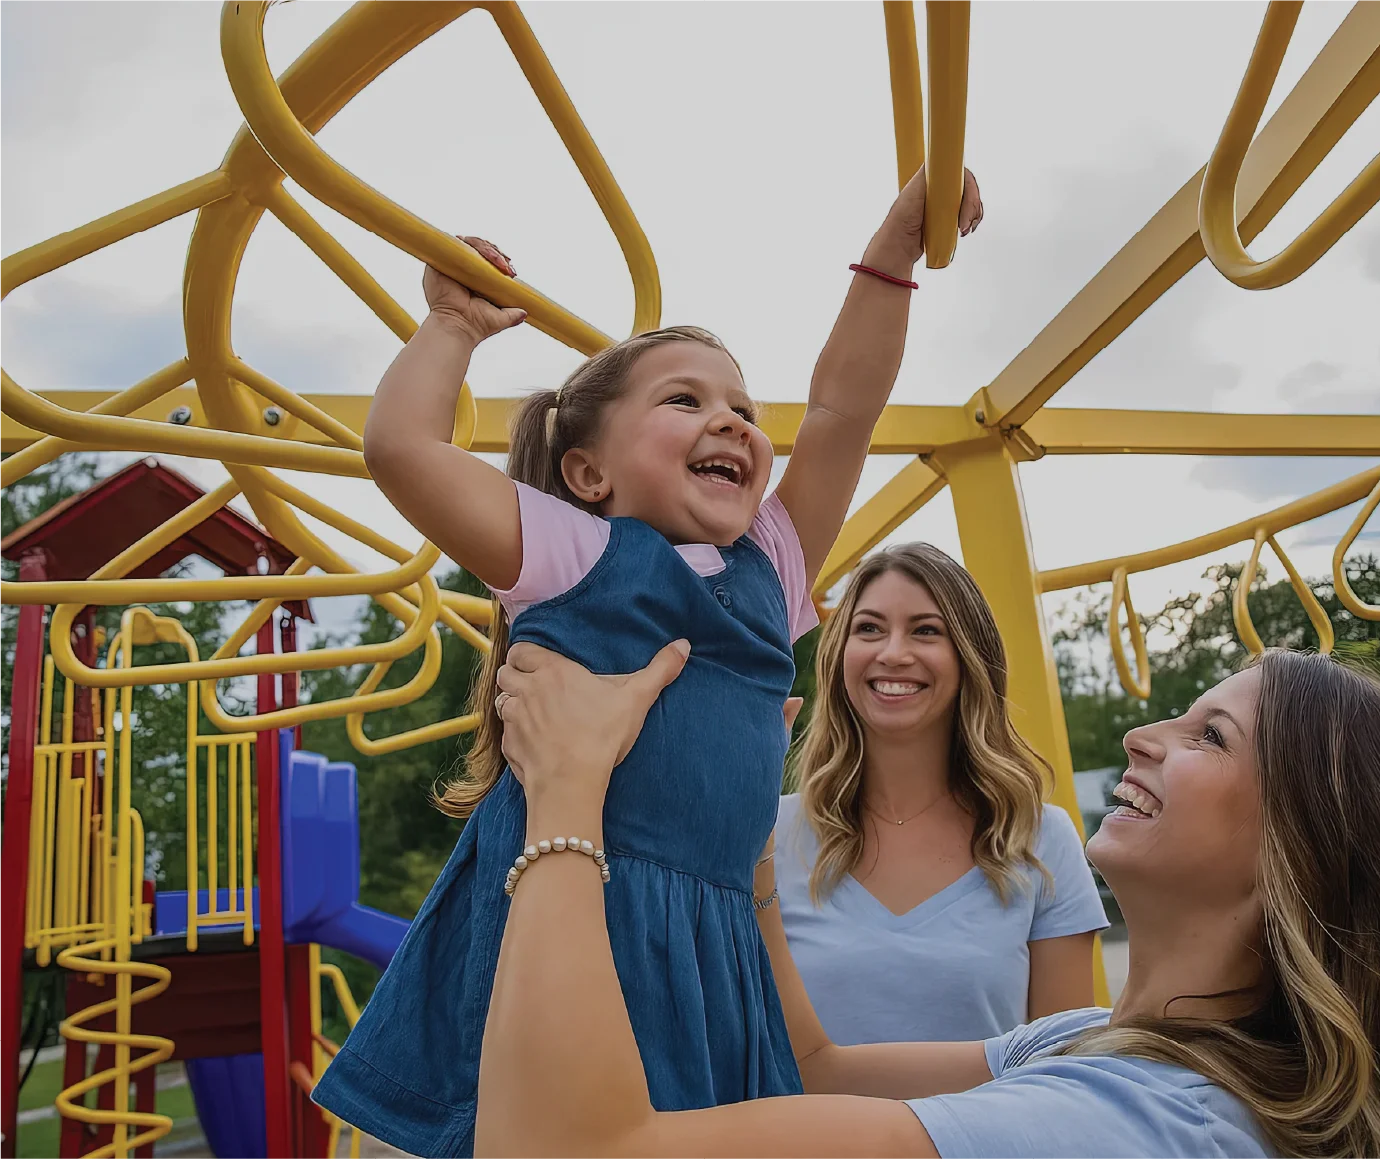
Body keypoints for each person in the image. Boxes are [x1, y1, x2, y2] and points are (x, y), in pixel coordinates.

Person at [312, 170, 985, 1156]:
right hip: (575, 907)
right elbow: (400, 449)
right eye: (684, 399)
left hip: (714, 950)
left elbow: (843, 408)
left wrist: (891, 251)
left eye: (743, 407)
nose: (733, 421)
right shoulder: (575, 552)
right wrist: (451, 326)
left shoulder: (771, 566)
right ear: (589, 472)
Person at [480, 641, 1380, 1158]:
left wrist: (565, 792)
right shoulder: (1095, 1044)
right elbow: (820, 1065)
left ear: (1303, 851)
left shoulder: (1129, 1123)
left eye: (1209, 735)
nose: (1141, 734)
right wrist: (752, 838)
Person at [774, 543, 1108, 1044]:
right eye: (869, 628)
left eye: (926, 631)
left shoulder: (1039, 839)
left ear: (971, 657)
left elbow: (1063, 1066)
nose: (892, 653)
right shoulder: (770, 834)